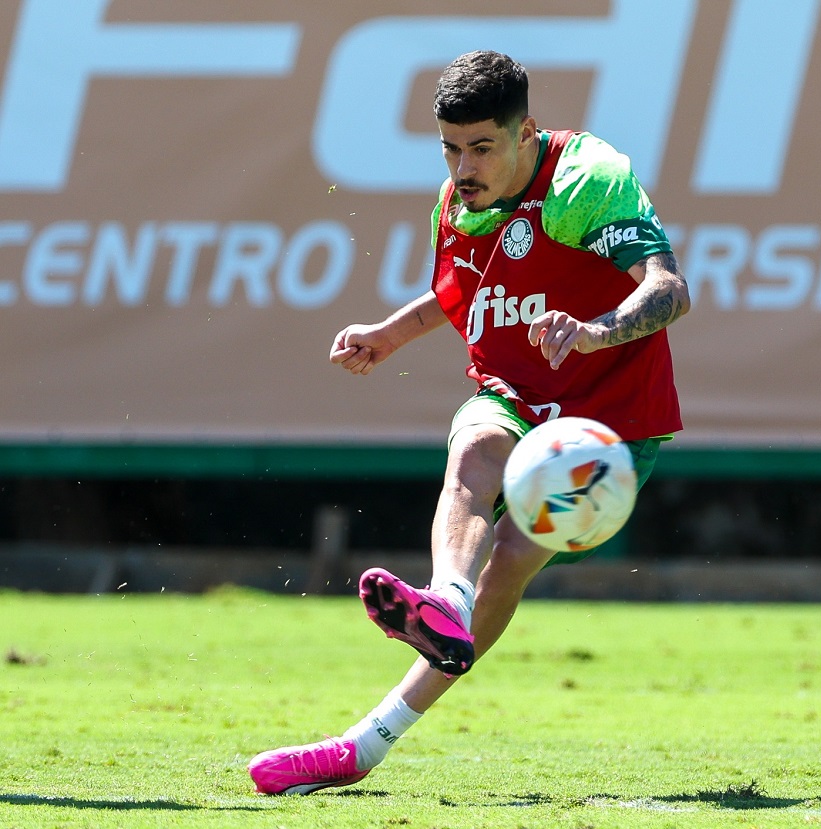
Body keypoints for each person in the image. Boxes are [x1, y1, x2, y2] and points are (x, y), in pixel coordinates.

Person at [247, 50, 689, 795]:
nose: (463, 165)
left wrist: (593, 330)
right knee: (476, 449)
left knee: (514, 552)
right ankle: (444, 601)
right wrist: (388, 332)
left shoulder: (584, 181)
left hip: (607, 421)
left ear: (527, 133)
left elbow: (669, 289)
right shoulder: (458, 200)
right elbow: (459, 292)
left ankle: (368, 740)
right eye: (450, 148)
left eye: (482, 146)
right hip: (514, 388)